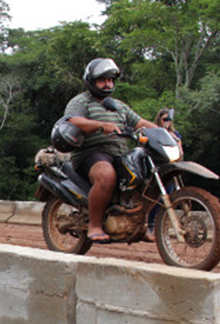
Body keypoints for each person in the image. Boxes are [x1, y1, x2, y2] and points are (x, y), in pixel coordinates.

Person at [60, 58, 157, 243]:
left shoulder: (119, 106)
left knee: (150, 176)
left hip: (120, 154)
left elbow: (140, 123)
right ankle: (94, 225)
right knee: (106, 175)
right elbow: (73, 121)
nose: (108, 84)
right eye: (103, 80)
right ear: (91, 80)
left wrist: (162, 132)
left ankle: (139, 223)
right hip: (90, 154)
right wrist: (100, 125)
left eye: (111, 80)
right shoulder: (81, 101)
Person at [145, 108, 184, 241]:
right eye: (164, 119)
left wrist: (176, 140)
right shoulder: (154, 133)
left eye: (169, 119)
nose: (167, 122)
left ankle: (161, 228)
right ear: (159, 120)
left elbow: (181, 154)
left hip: (170, 170)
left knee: (169, 200)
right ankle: (149, 227)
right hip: (156, 170)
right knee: (156, 200)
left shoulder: (175, 135)